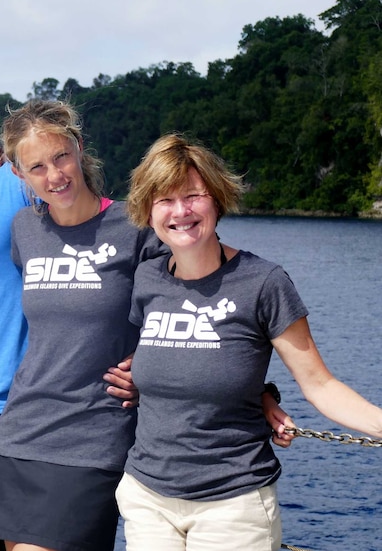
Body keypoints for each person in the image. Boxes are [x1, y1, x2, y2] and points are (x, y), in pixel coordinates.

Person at [117, 133, 382, 550]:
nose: (180, 211)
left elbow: (320, 385)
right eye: (164, 199)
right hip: (148, 498)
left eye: (192, 196)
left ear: (217, 200)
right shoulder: (148, 278)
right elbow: (166, 361)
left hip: (233, 502)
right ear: (147, 210)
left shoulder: (263, 283)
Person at [0, 99, 165, 551]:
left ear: (78, 148)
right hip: (21, 432)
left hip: (93, 437)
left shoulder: (134, 225)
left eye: (61, 157)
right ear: (19, 174)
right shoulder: (25, 228)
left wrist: (149, 363)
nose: (54, 176)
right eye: (36, 167)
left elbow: (179, 305)